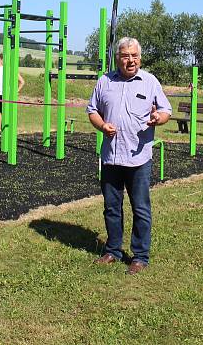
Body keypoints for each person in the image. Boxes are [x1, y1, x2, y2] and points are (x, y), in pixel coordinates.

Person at [86, 37, 172, 275]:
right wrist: (103, 126)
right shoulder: (105, 81)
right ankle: (113, 250)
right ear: (118, 59)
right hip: (111, 157)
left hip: (138, 158)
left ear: (140, 58)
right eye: (125, 56)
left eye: (134, 56)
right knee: (112, 207)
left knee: (140, 208)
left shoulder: (150, 82)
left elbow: (166, 110)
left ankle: (140, 256)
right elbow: (92, 111)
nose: (130, 60)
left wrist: (158, 118)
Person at [0, 54, 24, 138]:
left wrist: (16, 91)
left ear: (0, 60)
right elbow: (22, 82)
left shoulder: (2, 68)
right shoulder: (4, 69)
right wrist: (16, 91)